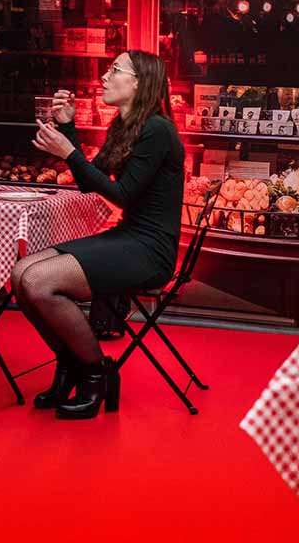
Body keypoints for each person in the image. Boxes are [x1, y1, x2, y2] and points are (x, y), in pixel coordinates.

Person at [15, 50, 184, 420]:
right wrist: (68, 128)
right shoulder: (124, 125)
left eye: (115, 70)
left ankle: (96, 374)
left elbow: (122, 194)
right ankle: (71, 364)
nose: (104, 77)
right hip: (129, 237)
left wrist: (69, 152)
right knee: (20, 274)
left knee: (39, 282)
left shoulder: (158, 129)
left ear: (139, 82)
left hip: (150, 249)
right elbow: (90, 180)